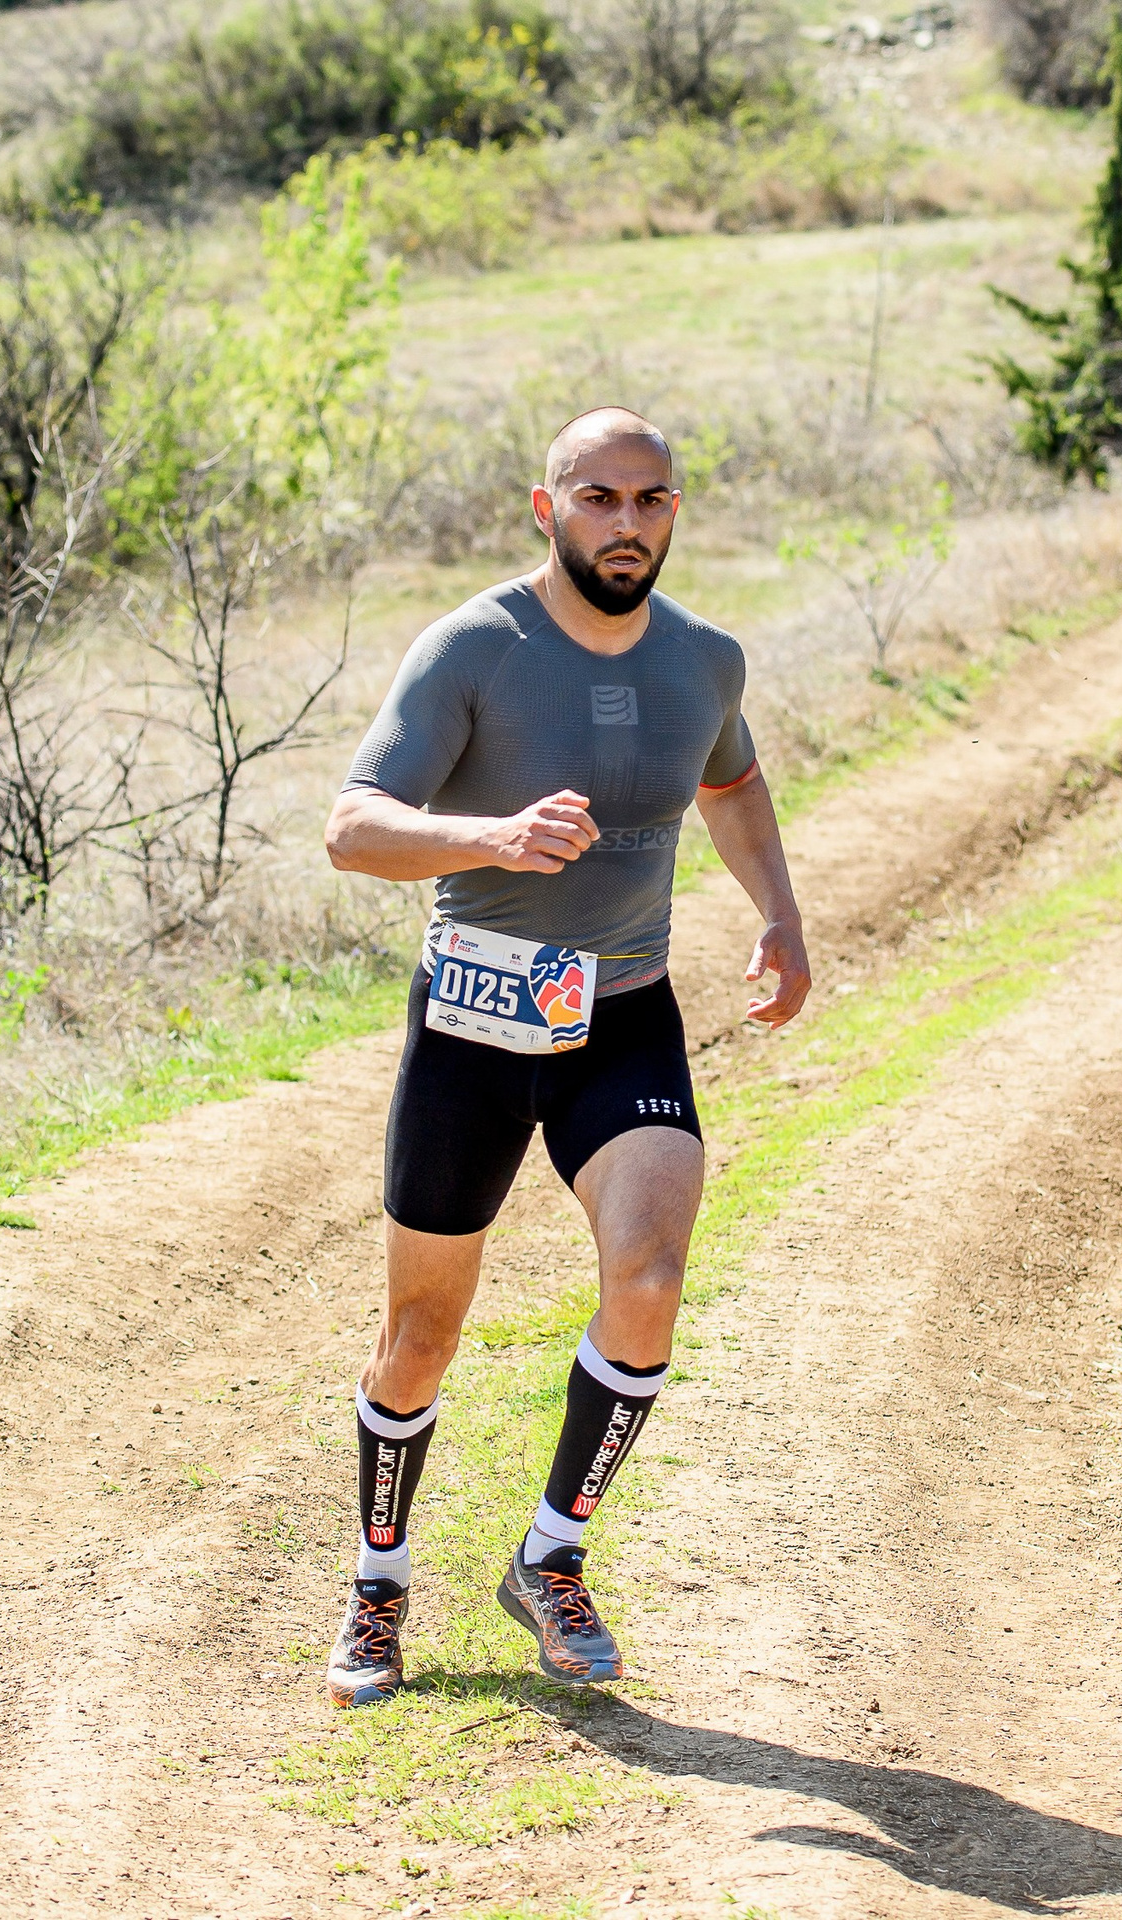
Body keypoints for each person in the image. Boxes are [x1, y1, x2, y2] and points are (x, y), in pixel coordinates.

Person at [318, 407, 812, 1707]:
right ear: (547, 509)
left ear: (675, 515)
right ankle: (379, 1582)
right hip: (476, 1020)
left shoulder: (705, 661)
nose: (628, 524)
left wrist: (779, 913)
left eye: (651, 502)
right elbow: (353, 828)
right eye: (600, 499)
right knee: (421, 1334)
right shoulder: (476, 648)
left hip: (623, 1012)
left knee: (648, 1280)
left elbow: (734, 784)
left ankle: (551, 1556)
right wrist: (488, 837)